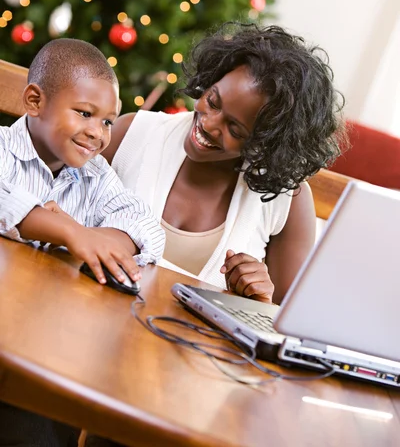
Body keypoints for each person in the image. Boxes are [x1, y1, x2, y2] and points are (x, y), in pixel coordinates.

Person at [103, 22, 346, 306]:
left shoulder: (287, 200)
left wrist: (261, 299)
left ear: (265, 142)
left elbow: (285, 325)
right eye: (213, 100)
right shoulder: (132, 134)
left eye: (235, 129)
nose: (208, 123)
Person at [0, 38, 165, 447]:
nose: (98, 133)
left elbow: (146, 223)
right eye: (85, 113)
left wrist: (96, 236)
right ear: (35, 101)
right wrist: (68, 231)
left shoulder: (95, 175)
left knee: (62, 416)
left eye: (108, 121)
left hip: (52, 347)